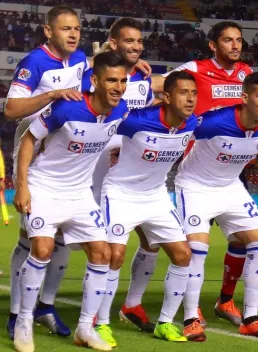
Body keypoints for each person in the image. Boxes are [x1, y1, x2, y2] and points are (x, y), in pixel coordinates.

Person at [13, 51, 129, 352]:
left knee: (102, 253)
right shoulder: (67, 107)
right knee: (42, 249)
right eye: (111, 80)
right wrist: (22, 186)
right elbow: (28, 140)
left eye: (122, 80)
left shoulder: (121, 110)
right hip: (45, 187)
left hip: (79, 192)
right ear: (95, 81)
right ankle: (24, 322)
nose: (118, 86)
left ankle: (85, 328)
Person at [154, 21, 253, 326]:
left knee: (242, 240)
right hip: (197, 167)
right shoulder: (194, 68)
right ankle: (190, 307)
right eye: (227, 40)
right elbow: (161, 85)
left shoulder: (246, 74)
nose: (235, 45)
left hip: (234, 169)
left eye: (238, 40)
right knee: (197, 243)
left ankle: (225, 300)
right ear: (213, 45)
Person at [175, 72, 258, 341]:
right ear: (245, 97)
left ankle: (251, 317)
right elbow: (177, 125)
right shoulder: (214, 121)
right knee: (197, 249)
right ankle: (190, 318)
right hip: (194, 185)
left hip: (230, 186)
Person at [5, 5, 87, 340]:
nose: (72, 34)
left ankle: (46, 306)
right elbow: (11, 110)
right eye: (65, 29)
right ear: (48, 31)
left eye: (77, 29)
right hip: (33, 152)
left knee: (64, 233)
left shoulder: (80, 58)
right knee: (31, 238)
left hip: (67, 156)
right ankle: (15, 314)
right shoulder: (34, 63)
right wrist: (50, 94)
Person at [97, 71, 198, 345]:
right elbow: (102, 123)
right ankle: (100, 322)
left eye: (193, 93)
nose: (190, 99)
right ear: (166, 97)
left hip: (155, 196)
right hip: (120, 193)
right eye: (183, 93)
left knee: (182, 254)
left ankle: (165, 323)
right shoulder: (138, 121)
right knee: (114, 255)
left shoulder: (193, 124)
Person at [82, 18, 158, 338]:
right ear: (112, 44)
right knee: (93, 251)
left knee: (152, 242)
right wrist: (95, 60)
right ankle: (83, 316)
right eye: (129, 41)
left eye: (139, 42)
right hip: (94, 178)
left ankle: (132, 304)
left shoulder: (142, 81)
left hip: (132, 179)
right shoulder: (92, 77)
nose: (137, 47)